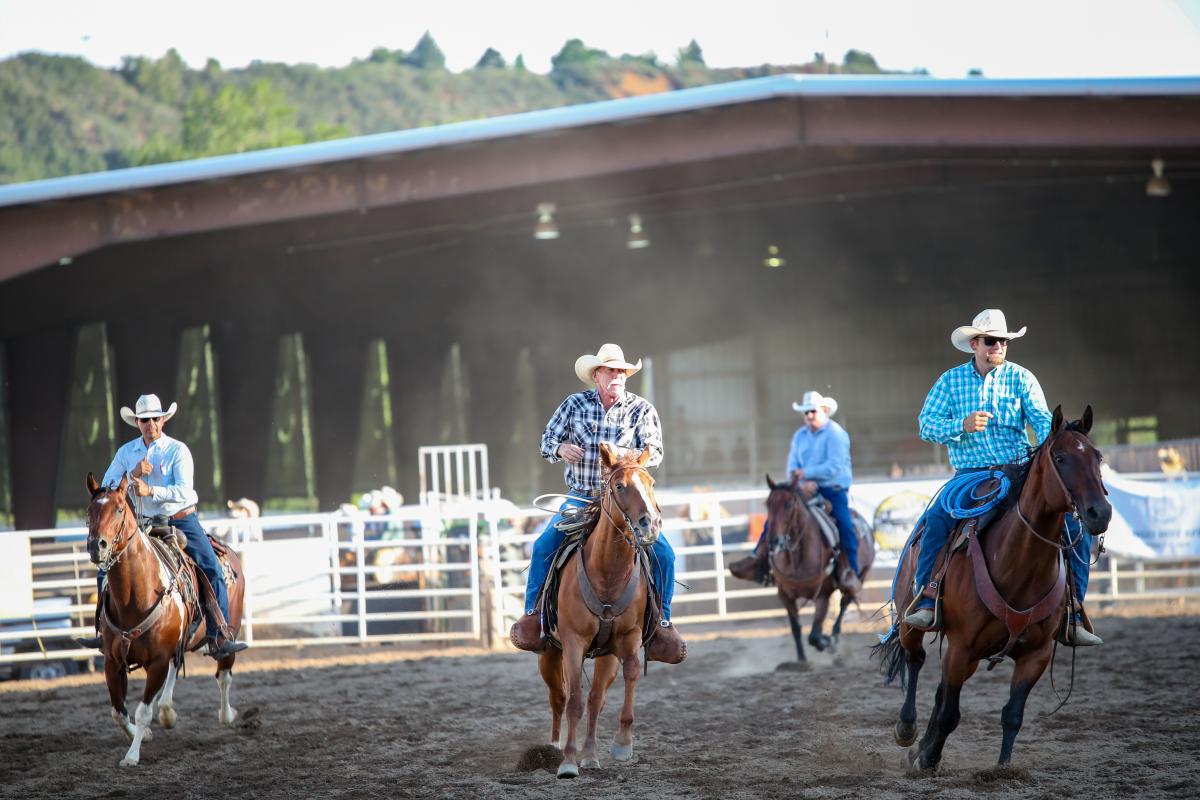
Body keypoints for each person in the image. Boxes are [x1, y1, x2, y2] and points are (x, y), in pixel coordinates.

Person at [901, 309, 1101, 646]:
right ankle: (927, 596)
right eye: (992, 341)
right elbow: (926, 425)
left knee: (1074, 528)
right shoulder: (950, 381)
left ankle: (1073, 609)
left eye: (1004, 341)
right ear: (975, 344)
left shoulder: (1022, 378)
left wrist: (1058, 440)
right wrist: (959, 426)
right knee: (936, 521)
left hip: (1019, 470)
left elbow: (1041, 421)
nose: (999, 346)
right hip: (972, 475)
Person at [508, 343, 686, 663]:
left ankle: (661, 623)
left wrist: (622, 458)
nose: (617, 376)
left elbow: (655, 452)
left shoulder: (641, 409)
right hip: (582, 496)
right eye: (611, 370)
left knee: (664, 553)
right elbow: (546, 441)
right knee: (544, 544)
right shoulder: (574, 405)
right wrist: (561, 449)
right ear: (597, 375)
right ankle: (533, 616)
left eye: (622, 371)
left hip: (625, 499)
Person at [78, 394, 248, 657]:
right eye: (145, 420)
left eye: (155, 419)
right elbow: (108, 488)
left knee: (210, 566)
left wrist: (151, 490)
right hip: (142, 523)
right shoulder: (126, 453)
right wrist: (132, 474)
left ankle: (220, 634)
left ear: (163, 420)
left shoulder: (177, 450)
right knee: (106, 568)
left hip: (181, 519)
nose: (151, 424)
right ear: (137, 422)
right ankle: (104, 632)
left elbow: (184, 491)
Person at [728, 391, 862, 596]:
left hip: (832, 489)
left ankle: (850, 571)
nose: (808, 415)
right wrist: (800, 480)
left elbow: (834, 466)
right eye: (805, 412)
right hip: (802, 487)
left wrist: (806, 474)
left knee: (845, 524)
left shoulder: (836, 434)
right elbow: (792, 465)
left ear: (824, 411)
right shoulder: (800, 436)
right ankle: (759, 559)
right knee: (778, 513)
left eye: (812, 411)